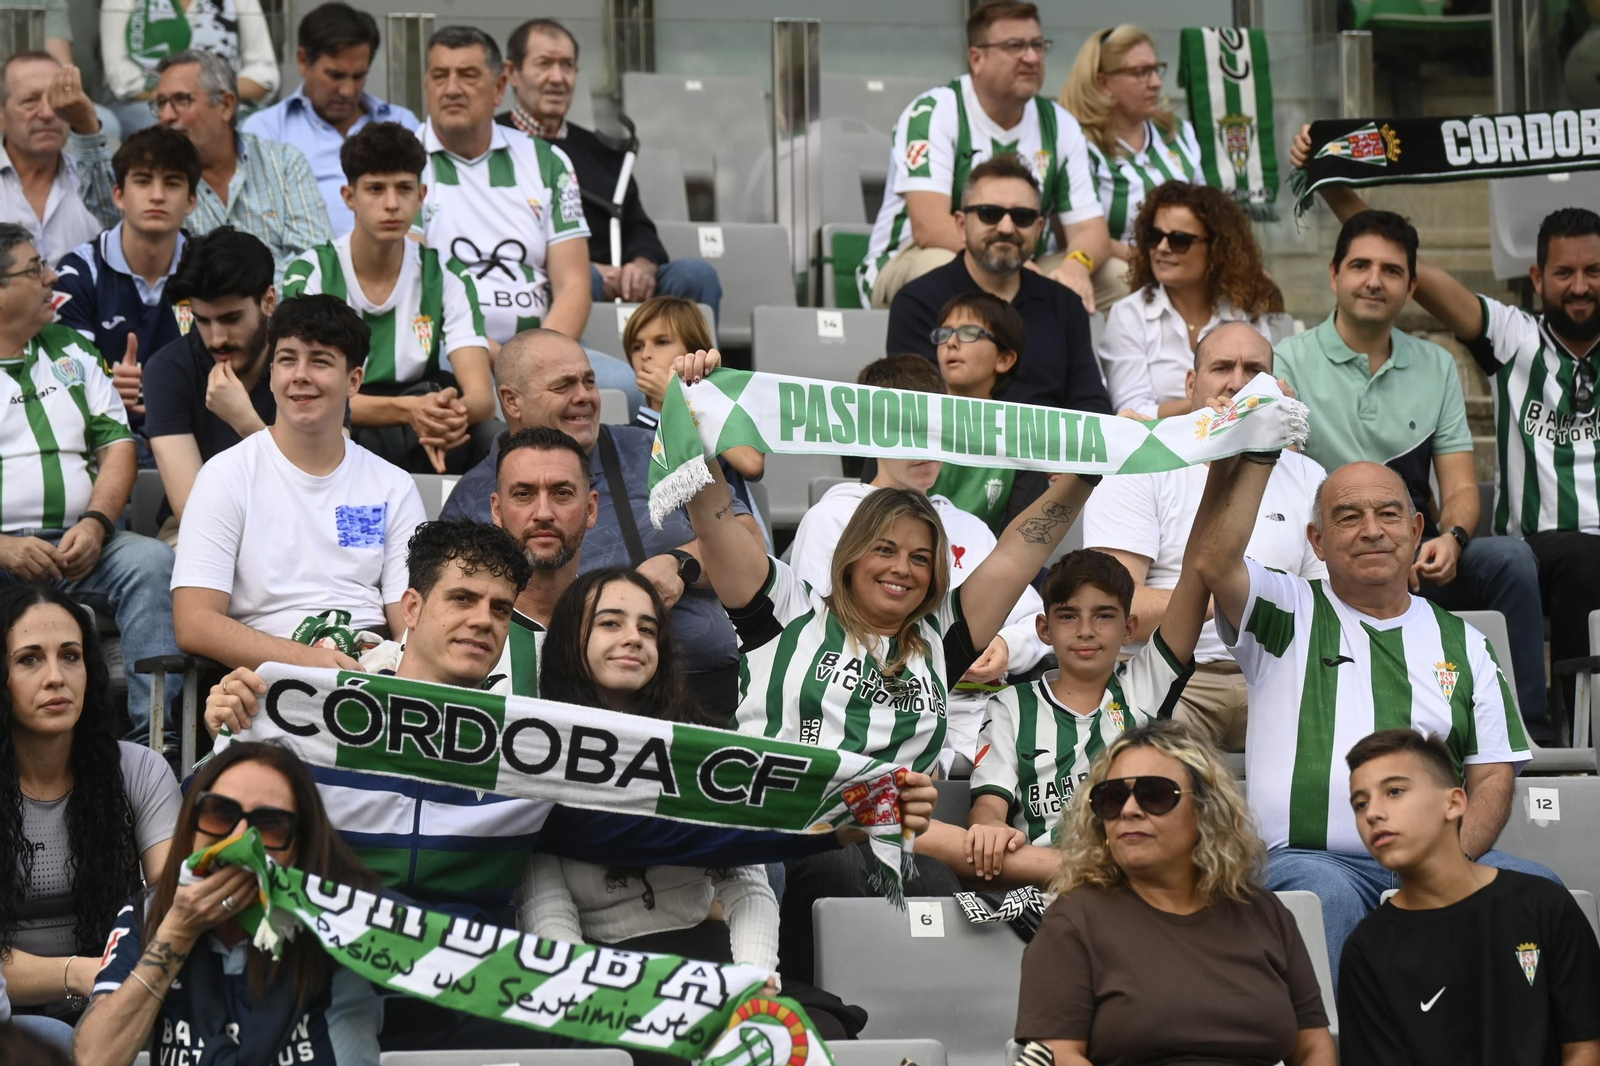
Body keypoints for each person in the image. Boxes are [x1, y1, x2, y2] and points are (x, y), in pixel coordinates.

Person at [675, 345, 1103, 977]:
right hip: (781, 843)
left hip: (903, 855)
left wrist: (1083, 475)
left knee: (973, 907)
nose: (903, 568)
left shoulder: (940, 636)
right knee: (880, 872)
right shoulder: (787, 609)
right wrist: (695, 409)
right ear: (849, 555)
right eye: (885, 549)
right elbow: (712, 518)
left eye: (921, 558)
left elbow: (1017, 553)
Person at [1191, 457, 1554, 986]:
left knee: (1537, 890)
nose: (1371, 530)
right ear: (1316, 540)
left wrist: (1449, 862)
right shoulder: (1286, 609)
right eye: (1348, 517)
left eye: (1387, 514)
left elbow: (1494, 776)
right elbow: (1214, 561)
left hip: (1439, 855)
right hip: (1310, 862)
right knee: (1326, 897)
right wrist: (1259, 455)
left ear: (1415, 530)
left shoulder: (1466, 644)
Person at [1294, 125, 1600, 735]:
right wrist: (1330, 180)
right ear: (1537, 279)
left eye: (1594, 270)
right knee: (1567, 558)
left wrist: (1453, 534)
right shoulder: (1514, 340)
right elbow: (1409, 269)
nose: (1581, 285)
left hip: (1464, 549)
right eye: (1565, 273)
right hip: (1552, 547)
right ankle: (1543, 735)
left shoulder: (1429, 364)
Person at [1271, 201, 1552, 743]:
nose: (1374, 281)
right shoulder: (1289, 359)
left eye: (1392, 270)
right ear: (1334, 275)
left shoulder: (1437, 364)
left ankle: (1530, 739)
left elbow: (1463, 487)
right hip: (1327, 559)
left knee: (1512, 560)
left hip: (1417, 555)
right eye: (1360, 266)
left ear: (1411, 285)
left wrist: (1452, 537)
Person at [442, 330, 756, 718]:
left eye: (589, 381)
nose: (584, 397)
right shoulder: (471, 501)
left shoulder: (652, 448)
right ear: (511, 401)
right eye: (564, 385)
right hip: (582, 701)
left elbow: (750, 542)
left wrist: (680, 564)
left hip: (721, 683)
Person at [1016, 721, 1336, 1066]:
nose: (1129, 810)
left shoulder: (1265, 914)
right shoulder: (1074, 921)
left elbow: (1313, 1049)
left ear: (1204, 810)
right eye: (1113, 797)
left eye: (1154, 795)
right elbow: (1059, 1057)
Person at [521, 568, 781, 988]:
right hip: (597, 975)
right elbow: (547, 907)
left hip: (710, 962)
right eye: (610, 623)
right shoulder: (537, 754)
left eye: (648, 628)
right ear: (570, 639)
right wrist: (579, 994)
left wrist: (752, 980)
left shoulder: (704, 749)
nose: (633, 638)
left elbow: (748, 887)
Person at [789, 353, 1048, 770]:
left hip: (981, 718)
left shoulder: (968, 527)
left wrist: (1005, 647)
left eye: (934, 429)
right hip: (864, 717)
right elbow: (811, 634)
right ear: (870, 431)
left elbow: (1032, 620)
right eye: (907, 430)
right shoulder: (832, 519)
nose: (926, 447)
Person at [1083, 323, 1326, 751]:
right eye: (1222, 367)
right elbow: (1113, 606)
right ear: (1192, 384)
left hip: (1278, 673)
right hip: (1174, 675)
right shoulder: (1145, 464)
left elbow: (1322, 605)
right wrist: (1232, 593)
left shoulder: (1308, 475)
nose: (1237, 382)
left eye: (1255, 370)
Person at [75, 741, 384, 1066]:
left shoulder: (338, 929)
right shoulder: (149, 913)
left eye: (269, 823)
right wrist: (177, 931)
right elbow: (94, 1058)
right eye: (220, 813)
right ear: (192, 826)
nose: (239, 838)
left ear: (298, 844)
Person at [170, 294, 426, 672]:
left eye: (320, 361)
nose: (300, 375)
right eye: (288, 359)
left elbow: (409, 621)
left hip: (373, 674)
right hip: (261, 679)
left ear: (354, 380)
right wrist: (310, 660)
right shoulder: (226, 475)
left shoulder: (393, 486)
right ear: (272, 373)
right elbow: (194, 623)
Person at [0, 224, 182, 739]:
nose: (51, 277)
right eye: (35, 269)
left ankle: (157, 740)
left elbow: (119, 445)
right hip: (1, 555)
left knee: (152, 563)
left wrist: (98, 522)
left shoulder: (71, 351)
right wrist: (4, 548)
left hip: (81, 545)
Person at [1339, 729, 1600, 1065]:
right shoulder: (1366, 949)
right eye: (1360, 803)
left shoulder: (1545, 906)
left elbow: (1584, 1045)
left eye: (1395, 791)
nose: (1372, 813)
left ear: (1454, 802)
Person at [0, 586, 179, 1032]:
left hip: (117, 1004)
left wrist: (109, 980)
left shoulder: (140, 770)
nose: (56, 677)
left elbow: (174, 905)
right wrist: (77, 973)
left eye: (71, 655)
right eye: (29, 659)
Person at [860, 0, 1113, 312]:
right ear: (976, 58)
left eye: (1037, 45)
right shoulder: (935, 112)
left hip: (1020, 261)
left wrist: (1078, 264)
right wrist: (1015, 269)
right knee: (946, 270)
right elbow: (930, 226)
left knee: (1115, 276)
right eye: (1015, 46)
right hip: (915, 257)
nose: (1031, 57)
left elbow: (1091, 230)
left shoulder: (1061, 124)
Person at [283, 121, 497, 475]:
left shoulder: (446, 273)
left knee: (494, 436)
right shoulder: (312, 273)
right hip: (344, 424)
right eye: (376, 189)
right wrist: (410, 410)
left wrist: (443, 414)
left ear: (422, 195)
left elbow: (481, 399)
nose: (392, 204)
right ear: (348, 197)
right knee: (323, 430)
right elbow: (307, 396)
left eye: (403, 188)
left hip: (427, 425)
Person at [499, 19, 722, 318]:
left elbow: (637, 225)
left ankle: (697, 366)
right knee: (579, 280)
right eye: (544, 64)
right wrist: (585, 269)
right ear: (512, 73)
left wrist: (641, 266)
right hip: (540, 280)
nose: (557, 77)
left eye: (567, 66)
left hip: (618, 282)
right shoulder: (491, 142)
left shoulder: (602, 150)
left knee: (696, 275)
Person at [885, 153, 1111, 414]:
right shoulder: (917, 302)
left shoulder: (1065, 304)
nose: (1006, 227)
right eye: (989, 214)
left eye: (1022, 217)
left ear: (1039, 229)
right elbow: (916, 413)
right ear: (961, 224)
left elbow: (1092, 405)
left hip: (1047, 452)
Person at [143, 227, 301, 543]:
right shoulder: (168, 369)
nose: (217, 339)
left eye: (231, 319)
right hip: (200, 535)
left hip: (302, 526)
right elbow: (193, 513)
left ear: (269, 300)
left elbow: (330, 489)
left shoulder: (310, 360)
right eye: (202, 320)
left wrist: (247, 425)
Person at [53, 127, 200, 436]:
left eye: (172, 183)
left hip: (192, 432)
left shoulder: (209, 270)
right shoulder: (78, 273)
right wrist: (105, 384)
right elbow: (60, 379)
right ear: (118, 195)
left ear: (191, 201)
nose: (157, 195)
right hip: (101, 434)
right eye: (143, 181)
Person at [1098, 182, 1282, 418]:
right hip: (1159, 448)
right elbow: (1133, 412)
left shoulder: (1243, 312)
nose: (1163, 248)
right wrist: (1216, 401)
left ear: (1216, 248)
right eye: (1154, 236)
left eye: (1180, 239)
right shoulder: (1128, 314)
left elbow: (1267, 388)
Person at [148, 50, 333, 283]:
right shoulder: (154, 182)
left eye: (181, 100)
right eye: (161, 103)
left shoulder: (284, 164)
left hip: (289, 317)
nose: (166, 116)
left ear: (226, 105)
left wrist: (247, 300)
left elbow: (316, 262)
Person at [243, 2, 421, 236]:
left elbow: (426, 211)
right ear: (303, 61)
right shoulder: (265, 130)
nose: (348, 90)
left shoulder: (402, 123)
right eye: (335, 75)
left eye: (359, 76)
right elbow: (260, 225)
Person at [621, 295, 764, 540]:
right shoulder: (628, 436)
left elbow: (751, 464)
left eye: (661, 342)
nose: (645, 354)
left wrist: (678, 399)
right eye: (636, 346)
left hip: (734, 550)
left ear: (692, 352)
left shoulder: (721, 410)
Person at [1059, 25, 1203, 254]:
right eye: (1141, 72)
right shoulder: (1079, 143)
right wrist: (1149, 263)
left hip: (1180, 265)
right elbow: (1074, 234)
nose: (1156, 82)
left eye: (1157, 70)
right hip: (1113, 271)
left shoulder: (1178, 133)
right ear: (1103, 84)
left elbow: (1207, 213)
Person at [925, 291, 1046, 530]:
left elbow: (1021, 543)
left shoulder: (1025, 437)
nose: (951, 342)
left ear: (1004, 359)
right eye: (945, 333)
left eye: (969, 333)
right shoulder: (907, 418)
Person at [488, 427, 596, 695]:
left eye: (562, 493)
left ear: (591, 509)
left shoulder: (625, 627)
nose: (544, 514)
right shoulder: (452, 622)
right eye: (524, 494)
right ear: (497, 511)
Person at [100, 0, 279, 137]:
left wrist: (209, 96)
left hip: (218, 100)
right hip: (143, 103)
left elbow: (264, 74)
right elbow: (121, 78)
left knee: (255, 129)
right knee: (164, 131)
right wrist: (180, 99)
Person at [0, 53, 115, 265]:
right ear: (1, 115)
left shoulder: (95, 179)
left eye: (57, 99)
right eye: (30, 101)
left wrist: (88, 129)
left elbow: (124, 228)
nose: (47, 113)